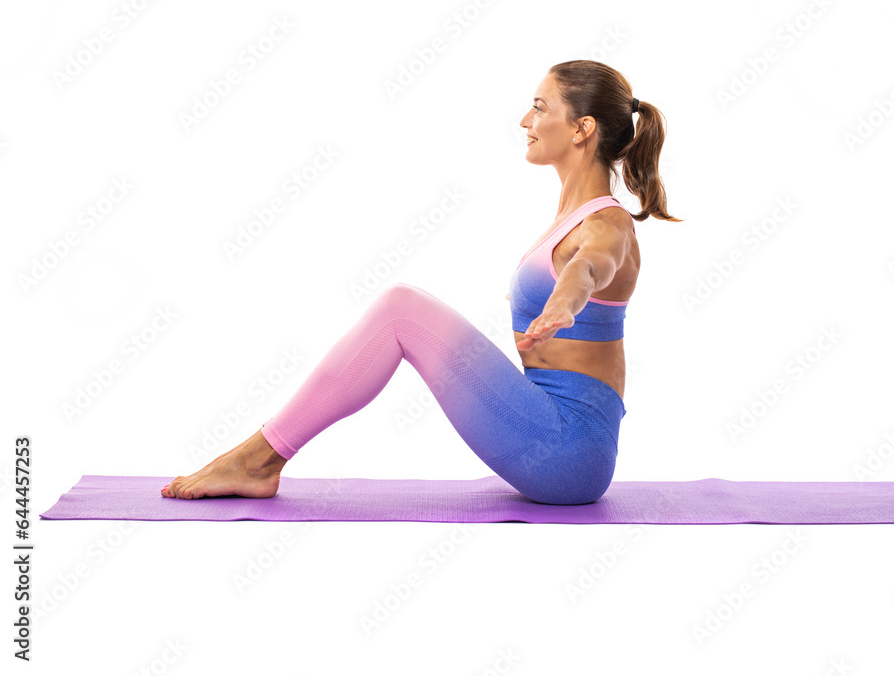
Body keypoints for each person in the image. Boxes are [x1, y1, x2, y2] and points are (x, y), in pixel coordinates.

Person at [161, 59, 681, 505]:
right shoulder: (572, 213)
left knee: (401, 310)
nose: (526, 119)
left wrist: (566, 302)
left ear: (581, 129)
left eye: (541, 108)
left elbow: (591, 266)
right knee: (404, 308)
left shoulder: (605, 224)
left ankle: (256, 462)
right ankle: (256, 461)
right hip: (553, 430)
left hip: (569, 452)